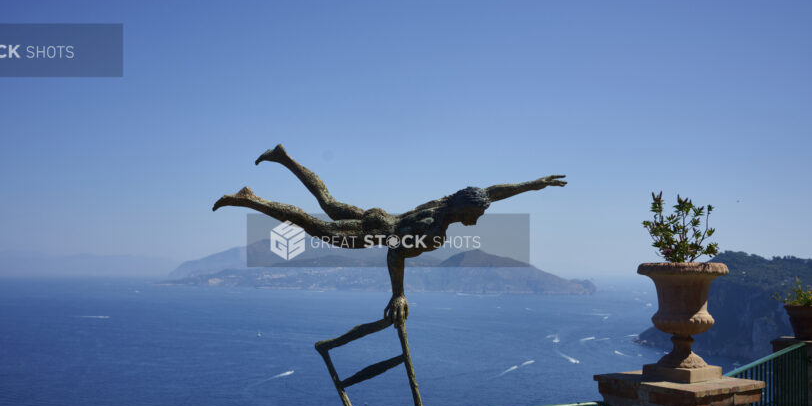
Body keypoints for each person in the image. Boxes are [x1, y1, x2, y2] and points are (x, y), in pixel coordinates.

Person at [213, 144, 566, 322]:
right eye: (477, 214)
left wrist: (533, 185)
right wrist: (399, 295)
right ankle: (251, 200)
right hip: (372, 233)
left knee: (327, 200)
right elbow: (395, 252)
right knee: (312, 223)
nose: (479, 218)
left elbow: (492, 191)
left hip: (380, 217)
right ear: (464, 209)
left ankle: (284, 157)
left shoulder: (446, 203)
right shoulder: (434, 230)